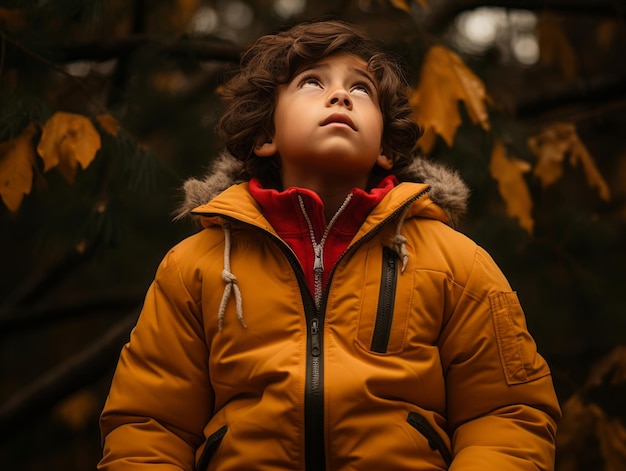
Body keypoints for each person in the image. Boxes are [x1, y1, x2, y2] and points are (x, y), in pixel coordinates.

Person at [98, 20, 561, 470]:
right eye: (311, 83)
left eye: (361, 89)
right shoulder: (194, 267)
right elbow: (150, 426)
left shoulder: (454, 261)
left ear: (384, 148)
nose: (340, 94)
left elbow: (507, 412)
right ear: (265, 136)